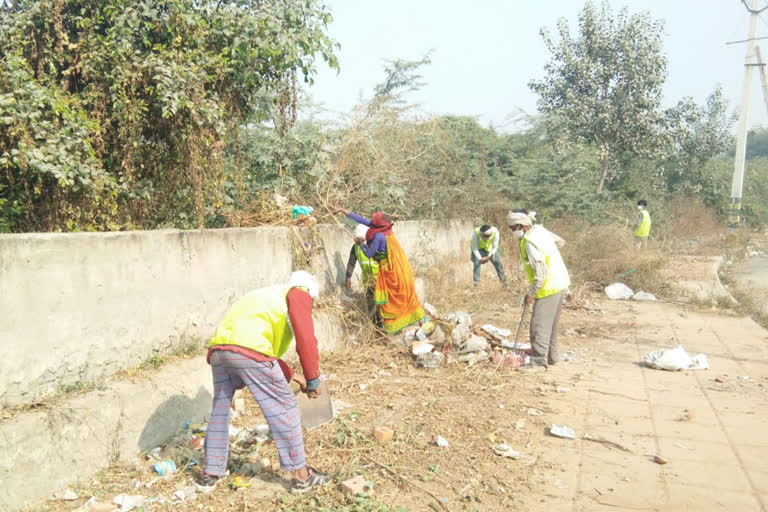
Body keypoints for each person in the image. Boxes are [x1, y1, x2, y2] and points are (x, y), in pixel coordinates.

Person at [201, 271, 332, 493]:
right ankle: (301, 476)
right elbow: (305, 340)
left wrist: (294, 375)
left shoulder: (267, 296)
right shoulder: (299, 293)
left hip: (220, 350)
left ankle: (210, 472)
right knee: (285, 406)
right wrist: (312, 378)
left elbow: (258, 349)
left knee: (220, 408)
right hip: (248, 351)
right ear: (309, 292)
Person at [333, 207, 425, 333]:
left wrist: (361, 245)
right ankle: (421, 325)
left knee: (388, 303)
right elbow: (362, 220)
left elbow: (370, 254)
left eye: (374, 219)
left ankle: (389, 329)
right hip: (397, 271)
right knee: (407, 298)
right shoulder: (384, 231)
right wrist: (345, 212)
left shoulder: (378, 237)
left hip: (388, 273)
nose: (371, 220)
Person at [507, 210, 570, 373]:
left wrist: (531, 293)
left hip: (548, 287)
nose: (512, 231)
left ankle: (538, 363)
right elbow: (560, 241)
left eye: (512, 228)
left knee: (539, 326)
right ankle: (552, 356)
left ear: (521, 226)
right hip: (560, 282)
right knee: (551, 325)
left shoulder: (529, 241)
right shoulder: (540, 231)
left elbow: (540, 273)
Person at [344, 223, 380, 316]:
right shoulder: (355, 247)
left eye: (359, 240)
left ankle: (384, 326)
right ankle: (374, 326)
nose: (356, 242)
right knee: (371, 304)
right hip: (368, 280)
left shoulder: (375, 244)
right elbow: (351, 262)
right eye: (356, 239)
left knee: (381, 305)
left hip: (381, 278)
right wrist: (348, 277)